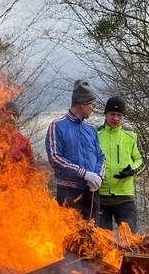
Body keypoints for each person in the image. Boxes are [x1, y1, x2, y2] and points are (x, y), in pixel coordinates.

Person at [45, 80, 105, 220]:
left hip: (92, 193)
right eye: (92, 104)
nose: (93, 108)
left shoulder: (91, 129)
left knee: (95, 239)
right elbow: (55, 158)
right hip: (69, 194)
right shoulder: (57, 126)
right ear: (82, 104)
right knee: (71, 238)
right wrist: (84, 174)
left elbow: (101, 156)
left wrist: (97, 177)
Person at [97, 96, 143, 231]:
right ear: (105, 114)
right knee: (102, 242)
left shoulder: (132, 135)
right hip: (100, 196)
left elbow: (141, 160)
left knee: (130, 239)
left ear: (123, 117)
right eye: (112, 114)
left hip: (125, 197)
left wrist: (132, 170)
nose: (115, 118)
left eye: (119, 115)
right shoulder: (95, 134)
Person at [2, 101, 35, 167]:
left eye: (14, 115)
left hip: (14, 176)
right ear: (0, 116)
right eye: (8, 114)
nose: (12, 118)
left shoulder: (24, 141)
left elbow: (31, 167)